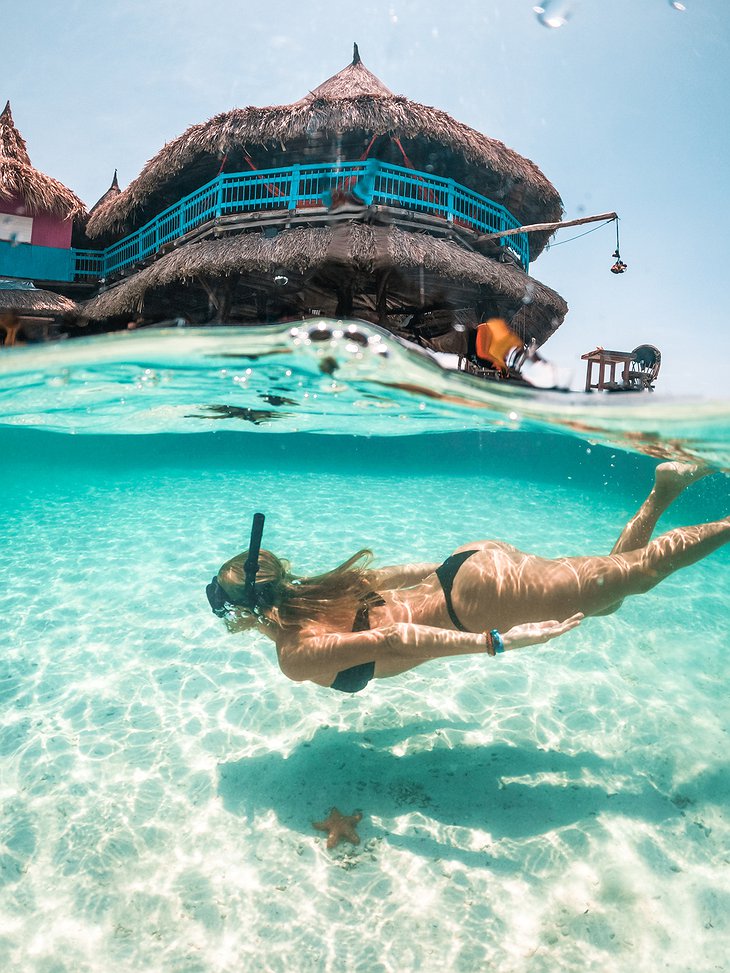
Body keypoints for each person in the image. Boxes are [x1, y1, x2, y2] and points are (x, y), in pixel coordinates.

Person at [206, 464, 727, 693]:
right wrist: (464, 568)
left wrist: (495, 642)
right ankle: (664, 490)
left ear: (246, 608)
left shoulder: (296, 654)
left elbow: (394, 637)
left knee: (639, 574)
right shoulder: (319, 592)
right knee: (612, 596)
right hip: (466, 569)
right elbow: (397, 574)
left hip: (477, 603)